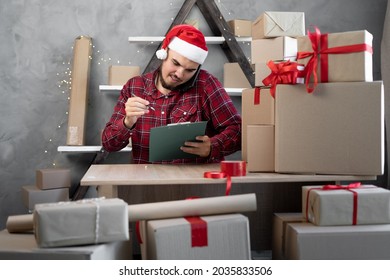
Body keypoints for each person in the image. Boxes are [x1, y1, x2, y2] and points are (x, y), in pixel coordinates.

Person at [102, 24, 241, 164]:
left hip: (191, 182)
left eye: (190, 70)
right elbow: (109, 144)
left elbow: (238, 131)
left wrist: (212, 146)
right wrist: (127, 122)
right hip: (146, 181)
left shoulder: (206, 84)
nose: (179, 74)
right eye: (175, 63)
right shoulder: (134, 87)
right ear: (164, 53)